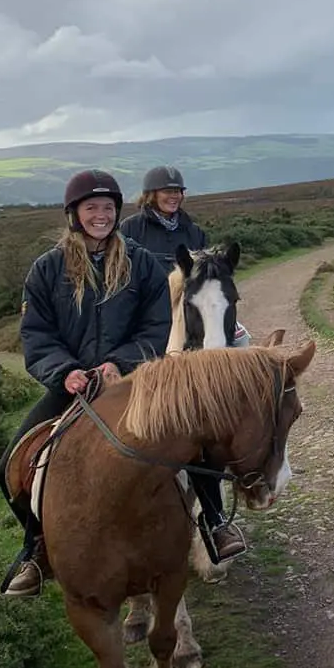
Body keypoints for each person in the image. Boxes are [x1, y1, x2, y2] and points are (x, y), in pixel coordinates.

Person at [0, 169, 236, 598]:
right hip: (71, 385)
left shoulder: (140, 262)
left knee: (201, 444)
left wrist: (119, 363)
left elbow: (156, 324)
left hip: (134, 379)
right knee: (10, 468)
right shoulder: (47, 270)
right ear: (74, 214)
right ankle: (36, 549)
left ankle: (215, 523)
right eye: (92, 208)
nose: (101, 216)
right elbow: (36, 334)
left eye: (108, 208)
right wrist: (64, 371)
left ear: (118, 211)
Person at [118, 165, 249, 556]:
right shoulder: (131, 231)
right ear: (150, 195)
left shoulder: (193, 232)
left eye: (178, 191)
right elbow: (125, 280)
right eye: (166, 191)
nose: (173, 196)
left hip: (190, 324)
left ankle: (215, 520)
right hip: (147, 322)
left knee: (203, 422)